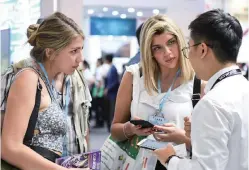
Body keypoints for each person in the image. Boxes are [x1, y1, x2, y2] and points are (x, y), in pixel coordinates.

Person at [154, 9, 249, 170]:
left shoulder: (211, 104)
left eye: (188, 48)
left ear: (202, 49)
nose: (188, 56)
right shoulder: (243, 87)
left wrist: (170, 160)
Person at [111, 14, 205, 170]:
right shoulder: (134, 76)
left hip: (178, 164)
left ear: (180, 41)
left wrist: (183, 137)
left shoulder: (197, 80)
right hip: (138, 163)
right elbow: (115, 130)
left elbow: (211, 146)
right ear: (150, 52)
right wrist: (131, 129)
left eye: (171, 42)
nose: (167, 52)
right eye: (157, 48)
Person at [1, 12, 87, 170]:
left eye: (81, 50)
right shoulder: (28, 78)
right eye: (73, 51)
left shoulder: (54, 79)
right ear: (50, 52)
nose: (80, 58)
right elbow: (9, 147)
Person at [104, 53, 120, 132]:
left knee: (112, 111)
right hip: (111, 94)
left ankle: (112, 127)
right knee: (110, 111)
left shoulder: (113, 69)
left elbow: (115, 82)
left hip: (113, 94)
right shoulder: (111, 68)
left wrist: (107, 89)